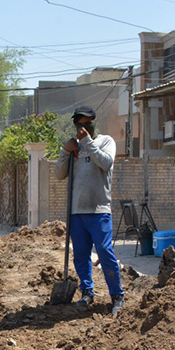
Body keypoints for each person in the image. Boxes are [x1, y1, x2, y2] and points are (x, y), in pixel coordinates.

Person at [54, 105, 125, 315]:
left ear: (94, 122)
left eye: (87, 123)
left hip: (99, 209)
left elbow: (106, 163)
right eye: (79, 123)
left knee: (104, 252)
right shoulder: (73, 147)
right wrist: (65, 151)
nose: (83, 127)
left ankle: (117, 295)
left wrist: (87, 142)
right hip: (77, 211)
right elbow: (59, 175)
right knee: (81, 255)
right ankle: (87, 292)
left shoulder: (105, 141)